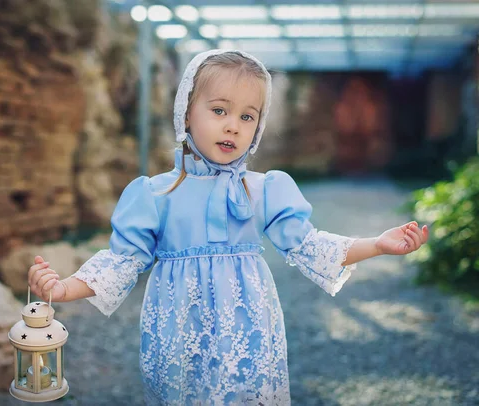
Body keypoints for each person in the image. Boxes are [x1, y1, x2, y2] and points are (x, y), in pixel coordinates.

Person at [28, 49, 429, 405]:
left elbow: (310, 246)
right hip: (177, 327)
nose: (233, 126)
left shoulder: (263, 189)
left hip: (248, 329)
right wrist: (64, 289)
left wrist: (377, 243)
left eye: (247, 116)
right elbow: (122, 262)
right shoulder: (155, 194)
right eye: (219, 110)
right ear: (187, 112)